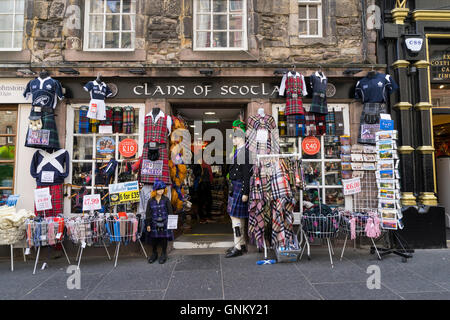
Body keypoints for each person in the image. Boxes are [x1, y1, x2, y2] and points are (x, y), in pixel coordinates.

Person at [226, 120, 252, 258]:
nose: (233, 139)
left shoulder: (246, 153)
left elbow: (247, 175)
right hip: (234, 186)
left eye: (234, 137)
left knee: (236, 218)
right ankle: (240, 244)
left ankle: (237, 247)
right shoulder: (237, 152)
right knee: (237, 218)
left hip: (240, 187)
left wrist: (245, 192)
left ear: (241, 137)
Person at [145, 179, 174, 264]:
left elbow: (170, 212)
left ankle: (164, 254)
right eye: (159, 189)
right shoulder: (150, 201)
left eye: (162, 189)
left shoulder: (166, 200)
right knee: (153, 239)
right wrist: (148, 224)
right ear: (155, 190)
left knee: (163, 239)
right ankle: (154, 253)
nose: (161, 191)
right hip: (154, 223)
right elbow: (148, 214)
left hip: (165, 223)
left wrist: (171, 224)